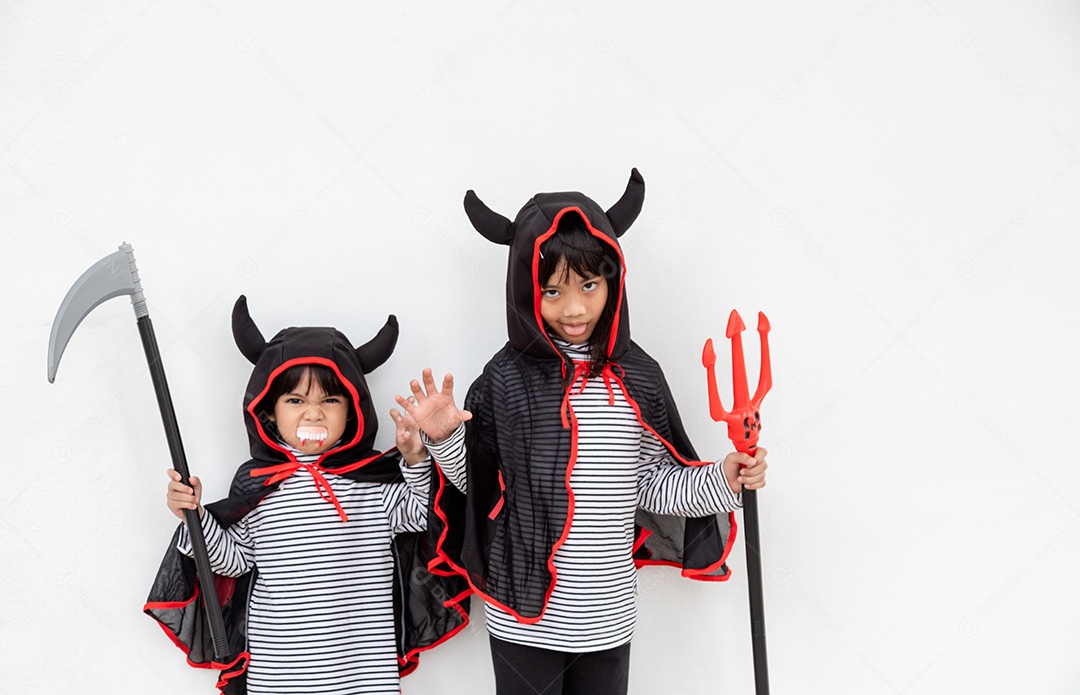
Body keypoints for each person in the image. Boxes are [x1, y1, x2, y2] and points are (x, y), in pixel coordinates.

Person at [394, 169, 768, 695]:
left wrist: (725, 478)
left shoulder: (637, 374)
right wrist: (444, 439)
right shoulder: (506, 377)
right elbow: (478, 486)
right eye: (552, 290)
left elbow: (652, 484)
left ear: (612, 281)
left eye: (589, 286)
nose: (573, 308)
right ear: (527, 289)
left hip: (608, 615)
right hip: (522, 612)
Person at [145, 296, 468, 695]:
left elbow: (426, 515)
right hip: (277, 676)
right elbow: (234, 560)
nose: (313, 414)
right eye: (295, 400)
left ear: (352, 410)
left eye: (329, 400)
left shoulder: (371, 486)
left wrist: (416, 460)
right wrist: (194, 516)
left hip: (364, 677)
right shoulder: (258, 484)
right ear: (269, 410)